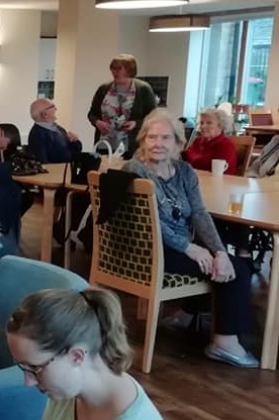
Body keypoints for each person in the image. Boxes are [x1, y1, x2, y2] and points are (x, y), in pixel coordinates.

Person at [123, 109, 258, 368]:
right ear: (142, 141)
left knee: (225, 262)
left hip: (179, 247)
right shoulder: (135, 170)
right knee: (238, 271)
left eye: (165, 138)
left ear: (177, 143)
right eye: (151, 138)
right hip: (149, 248)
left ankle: (190, 314)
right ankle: (225, 343)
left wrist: (217, 250)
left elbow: (199, 214)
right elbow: (151, 223)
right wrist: (191, 249)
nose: (158, 144)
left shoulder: (184, 171)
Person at [6, 288, 162, 420]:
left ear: (76, 356)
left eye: (35, 368)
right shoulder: (65, 389)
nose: (28, 382)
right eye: (23, 367)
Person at [88, 54, 157, 158]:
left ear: (129, 70)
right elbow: (92, 114)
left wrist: (136, 123)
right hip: (105, 145)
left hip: (132, 147)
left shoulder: (143, 89)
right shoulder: (104, 88)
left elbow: (154, 117)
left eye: (118, 68)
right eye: (113, 68)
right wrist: (98, 123)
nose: (114, 72)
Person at [182, 108, 238, 175]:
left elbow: (217, 171)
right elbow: (185, 157)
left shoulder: (226, 145)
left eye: (209, 123)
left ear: (220, 125)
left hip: (217, 183)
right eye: (201, 123)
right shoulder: (198, 141)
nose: (203, 126)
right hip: (195, 179)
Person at [27, 98, 82, 164]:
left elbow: (74, 153)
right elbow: (43, 162)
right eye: (52, 107)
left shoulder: (59, 129)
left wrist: (75, 141)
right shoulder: (37, 135)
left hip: (66, 169)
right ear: (44, 114)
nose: (55, 109)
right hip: (56, 172)